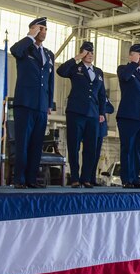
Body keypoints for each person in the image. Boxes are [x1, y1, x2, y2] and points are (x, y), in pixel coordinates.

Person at [9, 17, 54, 189]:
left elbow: (50, 81)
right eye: (40, 28)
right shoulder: (24, 48)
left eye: (45, 29)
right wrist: (29, 36)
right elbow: (14, 50)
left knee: (36, 144)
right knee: (23, 143)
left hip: (41, 106)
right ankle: (19, 179)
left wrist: (49, 103)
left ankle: (31, 178)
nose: (43, 32)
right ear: (33, 29)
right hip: (25, 103)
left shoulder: (49, 54)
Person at [56, 41, 106, 188]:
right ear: (81, 52)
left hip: (93, 114)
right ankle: (75, 178)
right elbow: (61, 71)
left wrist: (102, 112)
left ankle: (86, 178)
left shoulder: (98, 72)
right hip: (76, 112)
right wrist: (77, 57)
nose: (89, 55)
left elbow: (102, 94)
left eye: (91, 52)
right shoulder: (75, 68)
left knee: (91, 147)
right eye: (86, 52)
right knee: (74, 146)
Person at [116, 44, 140, 188]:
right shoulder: (124, 69)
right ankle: (126, 179)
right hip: (128, 116)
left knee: (138, 150)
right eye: (138, 54)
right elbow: (125, 77)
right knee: (128, 148)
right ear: (131, 55)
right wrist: (133, 63)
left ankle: (135, 178)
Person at [93, 89, 115, 185]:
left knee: (97, 155)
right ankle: (85, 177)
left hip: (101, 128)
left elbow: (111, 108)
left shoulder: (104, 97)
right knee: (89, 153)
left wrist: (101, 107)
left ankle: (92, 177)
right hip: (91, 126)